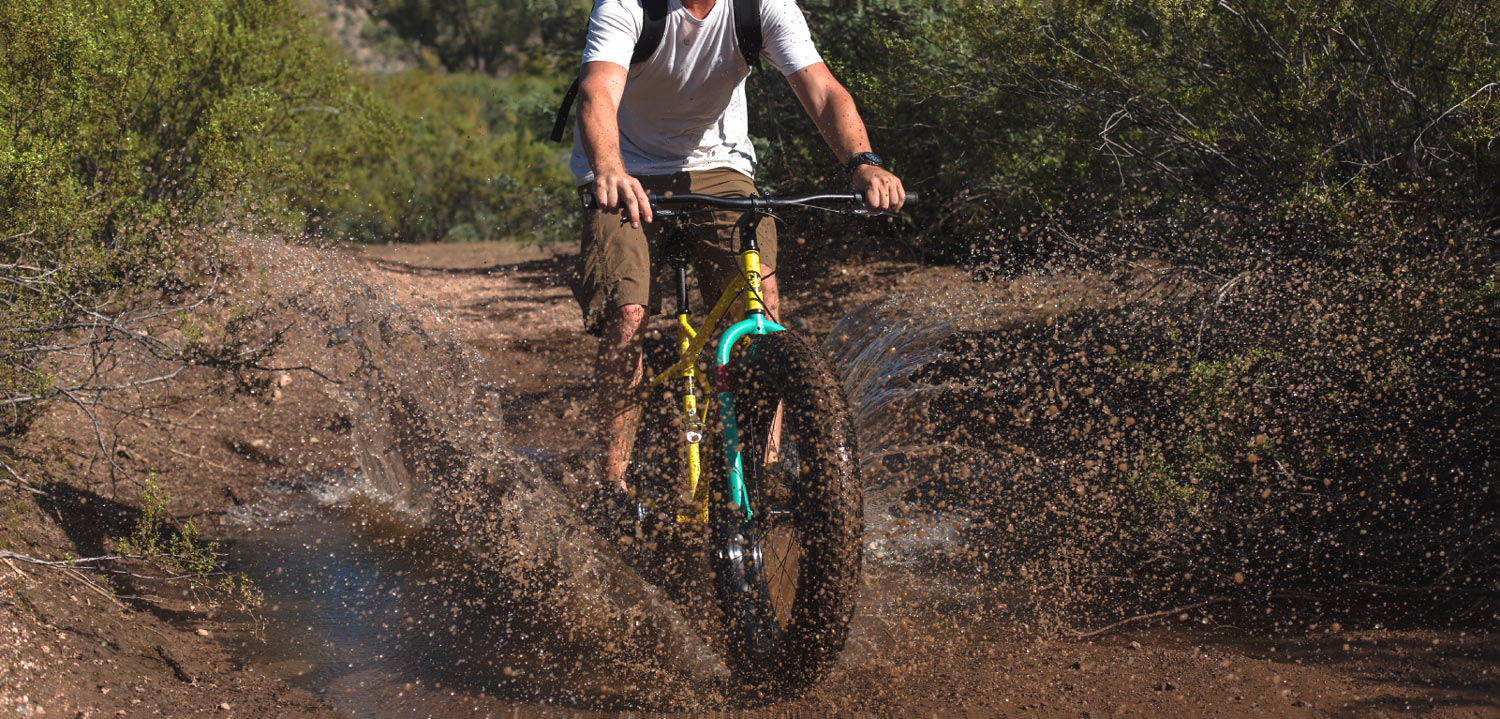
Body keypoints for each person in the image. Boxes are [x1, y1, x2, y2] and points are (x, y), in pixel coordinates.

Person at [568, 0, 905, 502]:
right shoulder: (627, 5)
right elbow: (597, 90)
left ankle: (761, 472)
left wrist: (863, 162)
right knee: (627, 312)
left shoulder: (761, 5)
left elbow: (822, 89)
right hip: (623, 165)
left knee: (758, 306)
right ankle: (611, 483)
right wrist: (610, 170)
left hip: (719, 167)